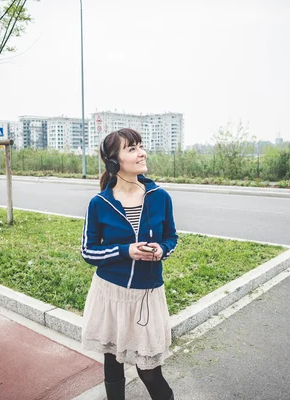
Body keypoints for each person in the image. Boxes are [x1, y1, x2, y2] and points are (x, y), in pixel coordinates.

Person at [81, 128, 178, 400]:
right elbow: (88, 251)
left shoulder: (160, 196)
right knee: (112, 360)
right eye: (132, 148)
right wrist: (126, 251)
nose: (142, 152)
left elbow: (172, 237)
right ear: (114, 161)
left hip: (147, 295)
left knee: (150, 370)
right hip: (111, 293)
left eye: (141, 146)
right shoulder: (99, 203)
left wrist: (162, 249)